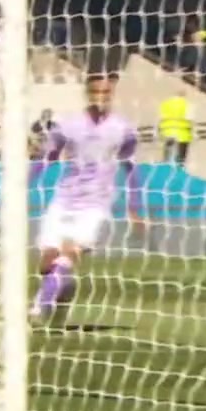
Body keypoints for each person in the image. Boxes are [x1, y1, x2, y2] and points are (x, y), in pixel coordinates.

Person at [28, 75, 142, 320]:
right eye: (96, 92)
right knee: (48, 259)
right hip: (64, 199)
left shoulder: (123, 128)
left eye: (106, 92)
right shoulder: (69, 125)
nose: (101, 97)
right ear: (87, 94)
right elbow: (48, 157)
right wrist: (24, 184)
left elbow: (131, 167)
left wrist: (135, 206)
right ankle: (64, 290)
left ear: (112, 94)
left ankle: (39, 307)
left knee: (69, 253)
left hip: (96, 203)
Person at [158, 90, 193, 165]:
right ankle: (179, 168)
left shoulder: (166, 104)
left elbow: (161, 118)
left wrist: (160, 132)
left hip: (167, 132)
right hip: (183, 134)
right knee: (181, 158)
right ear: (183, 96)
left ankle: (166, 166)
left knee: (167, 155)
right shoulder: (186, 104)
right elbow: (190, 119)